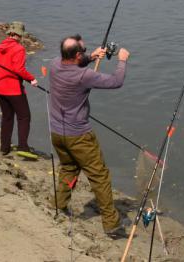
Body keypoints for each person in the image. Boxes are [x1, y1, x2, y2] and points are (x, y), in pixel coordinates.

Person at [48, 34, 130, 238]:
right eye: (83, 51)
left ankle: (58, 204)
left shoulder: (54, 64)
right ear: (76, 55)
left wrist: (92, 57)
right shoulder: (84, 76)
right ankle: (111, 224)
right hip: (79, 137)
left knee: (68, 168)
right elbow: (116, 81)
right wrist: (122, 60)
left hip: (57, 133)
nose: (85, 53)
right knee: (100, 176)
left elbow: (76, 63)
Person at [0, 21, 39, 158]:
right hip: (13, 89)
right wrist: (32, 79)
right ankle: (23, 147)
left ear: (10, 33)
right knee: (24, 116)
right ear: (19, 35)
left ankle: (4, 147)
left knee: (7, 117)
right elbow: (19, 69)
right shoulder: (19, 49)